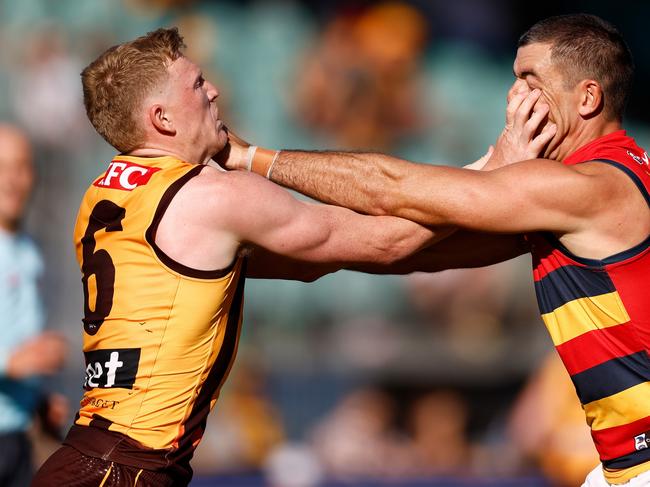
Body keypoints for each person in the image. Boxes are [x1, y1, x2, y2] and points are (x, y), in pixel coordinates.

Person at [225, 14, 650, 487]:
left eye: (531, 81)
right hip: (622, 468)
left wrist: (250, 159)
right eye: (513, 80)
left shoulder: (590, 186)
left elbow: (394, 190)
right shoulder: (573, 194)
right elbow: (404, 247)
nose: (514, 98)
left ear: (587, 98)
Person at [31, 27, 466, 487]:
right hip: (125, 471)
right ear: (162, 118)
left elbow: (313, 264)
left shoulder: (101, 194)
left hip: (86, 457)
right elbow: (384, 241)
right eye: (197, 84)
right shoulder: (208, 197)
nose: (214, 89)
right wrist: (483, 186)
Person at [0, 124, 68, 486]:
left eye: (21, 166)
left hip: (17, 435)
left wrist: (38, 398)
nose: (12, 180)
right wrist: (11, 362)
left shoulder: (28, 248)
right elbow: (13, 357)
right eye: (1, 168)